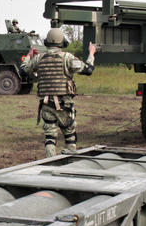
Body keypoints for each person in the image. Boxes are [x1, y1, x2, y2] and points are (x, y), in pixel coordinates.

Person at [21, 28, 96, 157]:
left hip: (46, 104)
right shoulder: (67, 57)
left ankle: (50, 162)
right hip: (64, 104)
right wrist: (91, 53)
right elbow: (88, 70)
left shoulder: (38, 58)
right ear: (62, 42)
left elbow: (23, 70)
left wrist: (29, 55)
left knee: (50, 136)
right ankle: (70, 160)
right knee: (69, 133)